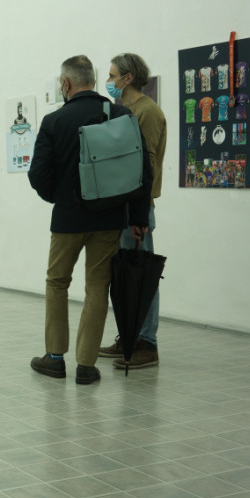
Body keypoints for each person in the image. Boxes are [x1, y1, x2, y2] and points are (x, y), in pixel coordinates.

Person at [28, 55, 152, 385]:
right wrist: (138, 217)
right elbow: (142, 169)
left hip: (67, 220)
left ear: (66, 83)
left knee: (57, 282)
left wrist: (60, 198)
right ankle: (86, 364)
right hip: (109, 218)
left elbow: (38, 174)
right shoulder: (121, 115)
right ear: (94, 81)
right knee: (98, 286)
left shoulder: (55, 121)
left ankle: (55, 358)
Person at [99, 53, 167, 369]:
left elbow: (145, 166)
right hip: (120, 205)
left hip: (136, 208)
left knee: (142, 275)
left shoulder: (147, 112)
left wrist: (137, 212)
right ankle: (128, 337)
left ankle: (146, 343)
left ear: (127, 78)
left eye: (113, 75)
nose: (109, 81)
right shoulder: (123, 111)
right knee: (125, 275)